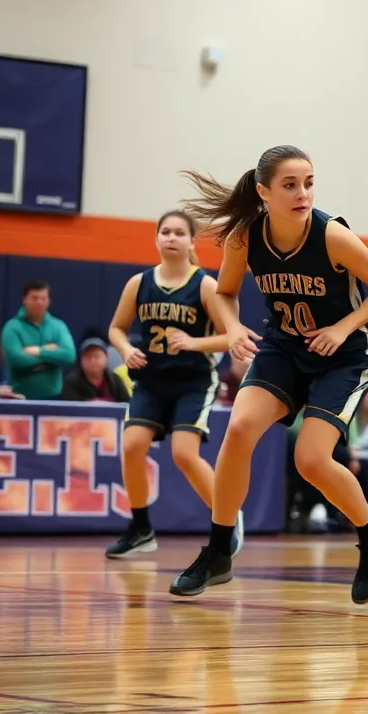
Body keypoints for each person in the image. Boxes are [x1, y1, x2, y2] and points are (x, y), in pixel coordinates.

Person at [169, 145, 368, 603]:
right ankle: (218, 551)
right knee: (238, 429)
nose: (303, 193)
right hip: (283, 346)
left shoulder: (331, 235)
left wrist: (342, 326)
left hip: (346, 352)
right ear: (264, 192)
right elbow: (226, 293)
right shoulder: (245, 236)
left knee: (311, 460)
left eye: (309, 183)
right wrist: (233, 328)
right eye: (290, 185)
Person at [103, 211, 232, 559]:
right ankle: (141, 528)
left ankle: (228, 520)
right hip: (151, 381)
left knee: (183, 454)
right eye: (166, 232)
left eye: (179, 233)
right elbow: (116, 328)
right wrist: (127, 349)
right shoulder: (138, 283)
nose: (172, 238)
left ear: (192, 242)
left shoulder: (204, 285)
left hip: (193, 382)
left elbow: (231, 336)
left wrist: (193, 343)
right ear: (156, 239)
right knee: (131, 447)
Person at [1, 280, 76, 399]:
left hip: (54, 399)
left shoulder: (58, 326)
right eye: (35, 298)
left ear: (49, 301)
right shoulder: (12, 327)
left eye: (43, 298)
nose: (39, 302)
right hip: (19, 398)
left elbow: (69, 356)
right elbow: (17, 360)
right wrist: (51, 358)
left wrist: (38, 351)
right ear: (24, 299)